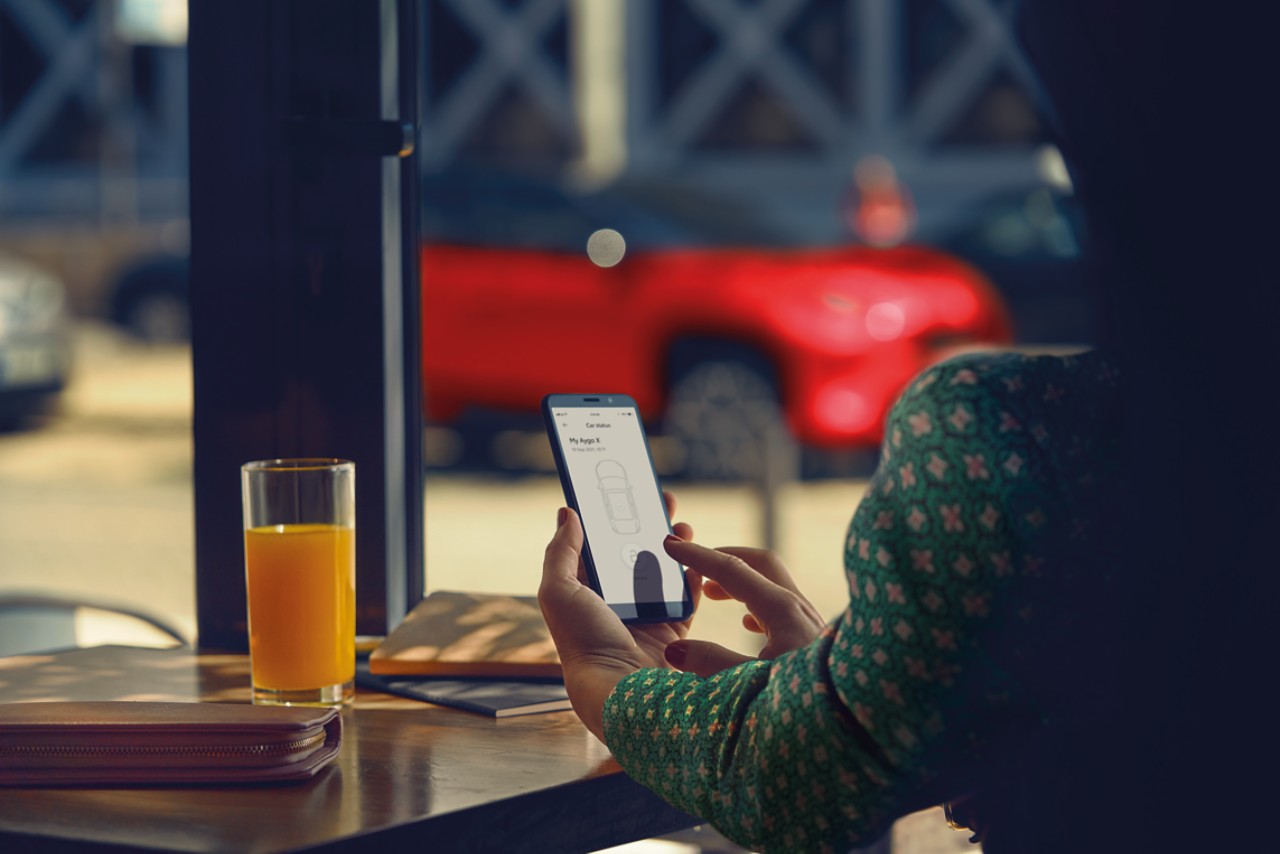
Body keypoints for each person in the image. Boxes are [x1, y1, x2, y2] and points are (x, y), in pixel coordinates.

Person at [541, 348, 1125, 852]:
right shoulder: (1187, 422)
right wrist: (837, 689)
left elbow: (796, 778)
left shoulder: (1002, 416)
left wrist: (607, 674)